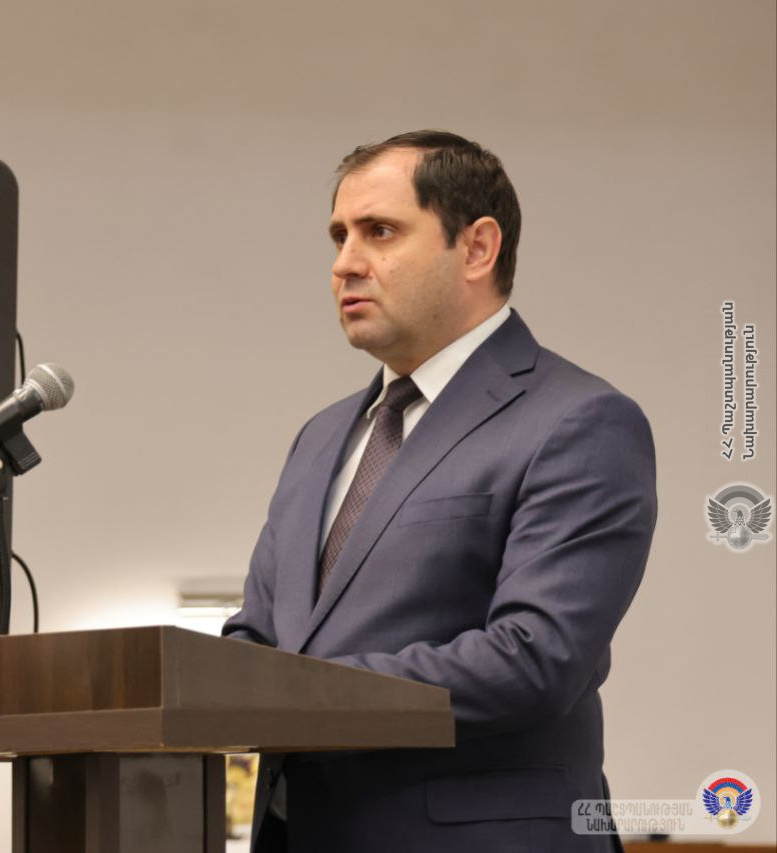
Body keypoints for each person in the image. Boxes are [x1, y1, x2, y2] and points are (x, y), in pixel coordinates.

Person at [223, 130, 656, 852]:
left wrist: (294, 696)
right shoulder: (320, 436)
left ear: (477, 248)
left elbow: (535, 659)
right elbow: (259, 636)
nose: (344, 263)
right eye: (338, 236)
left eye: (380, 231)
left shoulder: (578, 420)